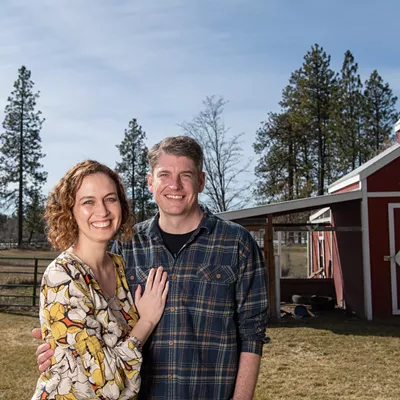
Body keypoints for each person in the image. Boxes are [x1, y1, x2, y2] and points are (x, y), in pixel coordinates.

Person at [35, 137, 268, 400]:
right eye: (165, 174)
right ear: (150, 182)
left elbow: (252, 331)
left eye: (186, 175)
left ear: (201, 181)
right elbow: (96, 328)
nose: (175, 185)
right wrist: (61, 351)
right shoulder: (125, 247)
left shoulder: (237, 243)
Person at [32, 160, 168, 400]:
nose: (103, 211)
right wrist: (145, 322)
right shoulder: (62, 276)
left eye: (110, 199)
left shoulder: (119, 266)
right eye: (88, 202)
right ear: (69, 210)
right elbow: (105, 385)